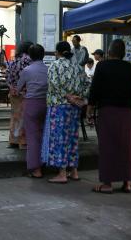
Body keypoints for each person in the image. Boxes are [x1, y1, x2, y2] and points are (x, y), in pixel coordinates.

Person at [88, 39, 131, 194]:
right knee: (126, 146)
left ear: (109, 52)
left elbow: (95, 89)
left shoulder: (102, 66)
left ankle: (107, 183)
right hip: (127, 112)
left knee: (107, 146)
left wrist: (89, 109)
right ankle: (127, 182)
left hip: (108, 110)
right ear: (123, 53)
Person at [41, 41, 89, 184]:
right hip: (74, 108)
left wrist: (68, 96)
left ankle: (62, 173)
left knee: (59, 139)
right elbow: (87, 84)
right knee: (73, 138)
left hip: (58, 106)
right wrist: (79, 97)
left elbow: (54, 84)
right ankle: (74, 171)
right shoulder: (78, 67)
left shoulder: (54, 65)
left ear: (57, 52)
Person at [17, 44, 48, 178]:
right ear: (43, 55)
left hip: (32, 103)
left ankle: (36, 169)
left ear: (30, 56)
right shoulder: (49, 69)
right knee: (44, 135)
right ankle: (46, 162)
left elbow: (18, 88)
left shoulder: (27, 70)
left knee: (32, 137)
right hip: (47, 103)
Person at [6, 42, 33, 149]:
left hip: (13, 93)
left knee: (15, 117)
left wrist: (11, 87)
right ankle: (23, 142)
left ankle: (13, 141)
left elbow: (7, 76)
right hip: (25, 92)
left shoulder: (13, 61)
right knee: (24, 118)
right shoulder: (29, 60)